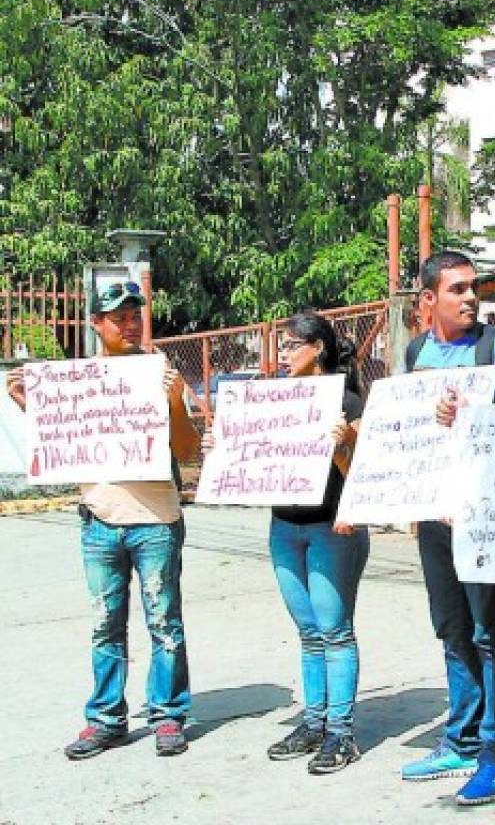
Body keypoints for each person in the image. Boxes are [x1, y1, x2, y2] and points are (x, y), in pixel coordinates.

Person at [5, 280, 200, 759]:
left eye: (135, 315)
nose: (130, 324)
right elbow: (64, 445)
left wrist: (174, 402)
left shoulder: (162, 374)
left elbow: (190, 449)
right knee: (105, 625)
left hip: (156, 518)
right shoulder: (80, 381)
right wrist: (33, 406)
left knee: (164, 623)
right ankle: (106, 719)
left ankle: (169, 714)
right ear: (97, 324)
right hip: (99, 520)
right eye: (119, 317)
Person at [400, 251, 495, 806]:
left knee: (490, 632)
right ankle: (462, 737)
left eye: (472, 287)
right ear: (428, 299)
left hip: (485, 514)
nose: (470, 297)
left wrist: (475, 413)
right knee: (452, 628)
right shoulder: (415, 351)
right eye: (457, 289)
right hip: (436, 514)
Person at [247, 312, 370, 775]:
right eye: (279, 347)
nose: (282, 355)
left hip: (330, 528)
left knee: (334, 629)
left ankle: (341, 732)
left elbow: (362, 475)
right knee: (308, 631)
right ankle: (314, 722)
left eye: (290, 346)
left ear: (317, 347)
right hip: (284, 526)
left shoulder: (349, 402)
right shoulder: (275, 398)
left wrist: (341, 446)